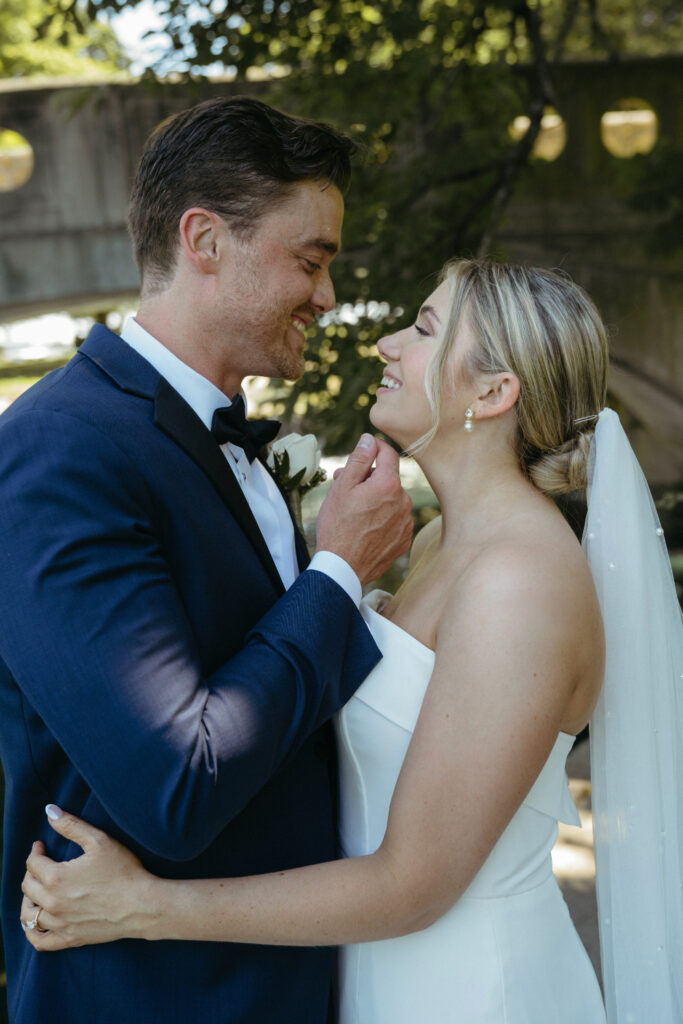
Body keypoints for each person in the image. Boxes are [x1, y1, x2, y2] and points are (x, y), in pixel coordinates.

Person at [18, 261, 683, 1022]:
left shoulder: (519, 583)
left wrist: (143, 906)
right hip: (380, 974)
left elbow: (412, 884)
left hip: (470, 987)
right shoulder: (438, 542)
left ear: (493, 394)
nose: (388, 344)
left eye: (424, 330)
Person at [0, 96, 414, 1024]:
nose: (328, 297)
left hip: (288, 983)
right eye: (311, 261)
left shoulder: (223, 437)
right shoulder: (56, 453)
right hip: (152, 997)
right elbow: (175, 786)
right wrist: (335, 574)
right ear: (205, 240)